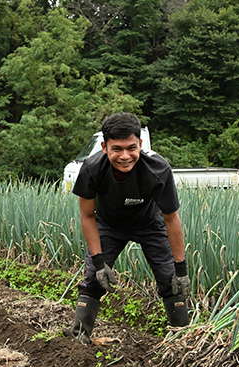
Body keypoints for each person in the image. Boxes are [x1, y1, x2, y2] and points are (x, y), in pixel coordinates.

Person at [67, 113, 191, 344]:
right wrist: (99, 261)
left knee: (170, 280)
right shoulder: (92, 169)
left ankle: (183, 340)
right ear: (104, 147)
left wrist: (181, 268)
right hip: (108, 225)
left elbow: (171, 219)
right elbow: (87, 216)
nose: (125, 156)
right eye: (117, 149)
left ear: (140, 145)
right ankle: (78, 340)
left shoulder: (158, 169)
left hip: (149, 224)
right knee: (94, 278)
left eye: (131, 148)